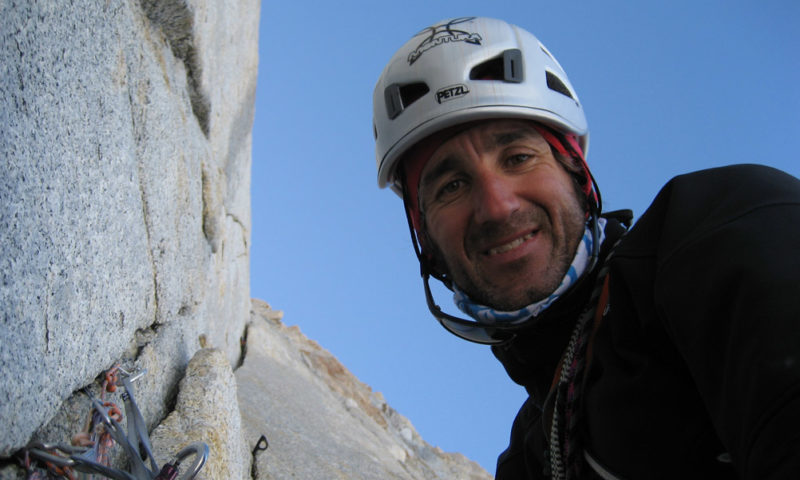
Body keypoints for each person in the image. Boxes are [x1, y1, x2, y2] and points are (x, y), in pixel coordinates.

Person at [371, 16, 800, 480]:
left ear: (575, 169)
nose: (496, 207)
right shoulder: (530, 458)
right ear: (426, 239)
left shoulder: (721, 233)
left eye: (518, 157)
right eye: (451, 186)